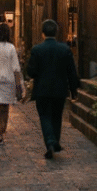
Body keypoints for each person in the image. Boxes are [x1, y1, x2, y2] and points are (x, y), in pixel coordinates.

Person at [26, 19, 81, 159]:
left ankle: (50, 141)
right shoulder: (65, 49)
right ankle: (55, 141)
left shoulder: (37, 50)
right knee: (57, 116)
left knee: (44, 116)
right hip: (60, 89)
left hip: (42, 89)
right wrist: (74, 89)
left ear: (42, 33)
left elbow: (31, 71)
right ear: (56, 32)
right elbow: (71, 72)